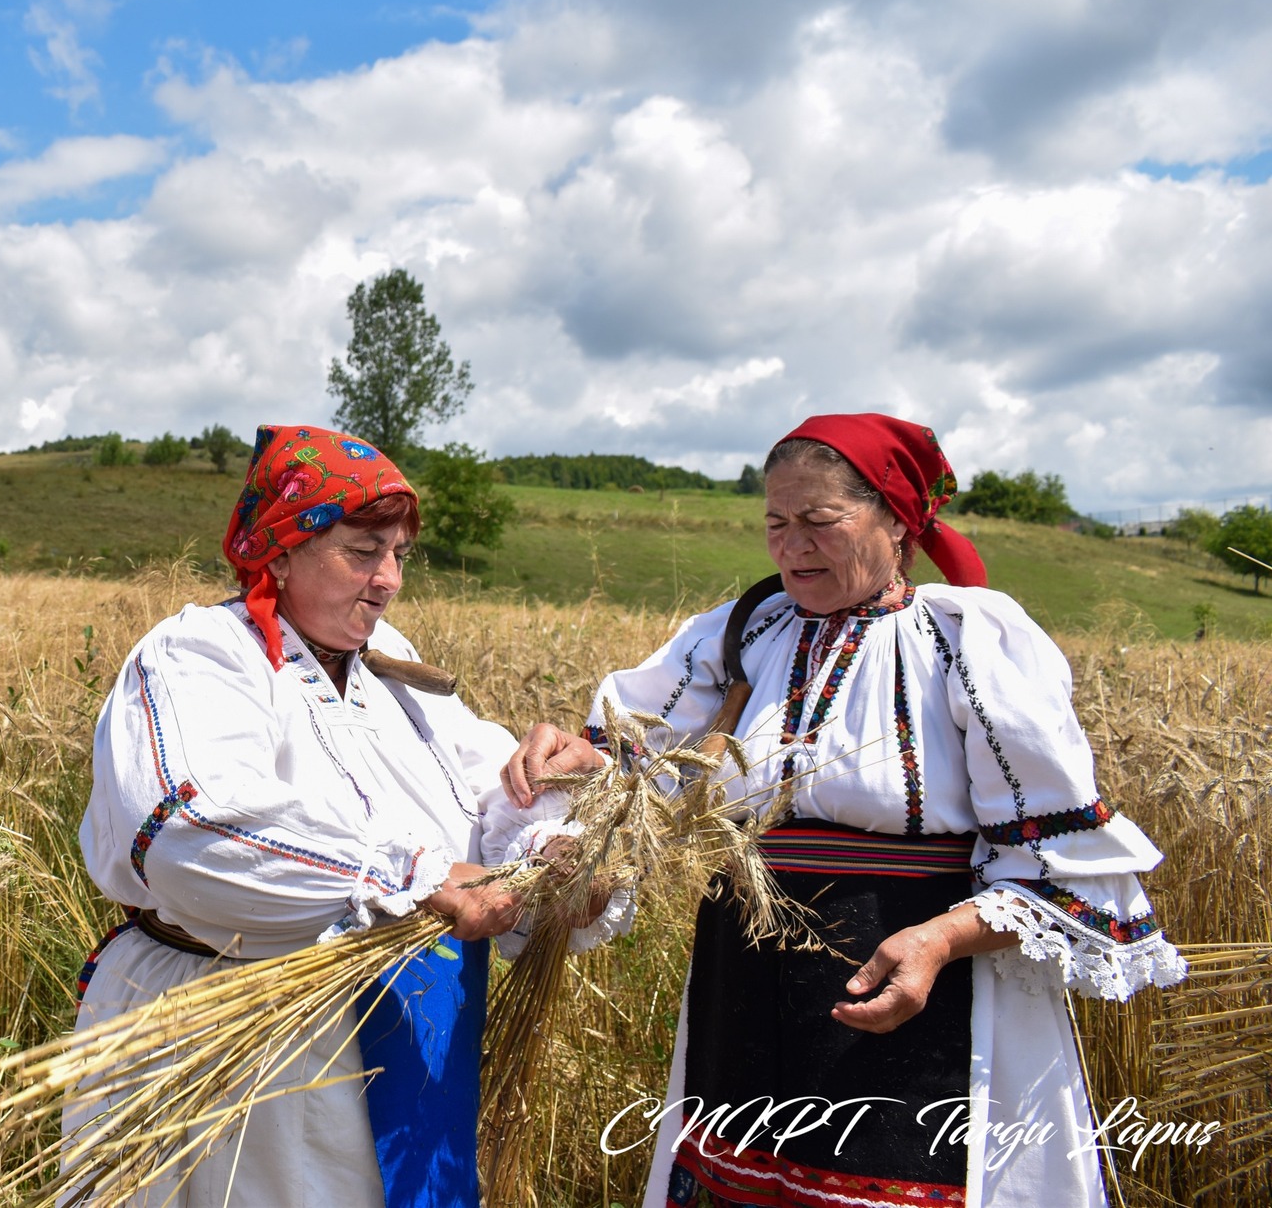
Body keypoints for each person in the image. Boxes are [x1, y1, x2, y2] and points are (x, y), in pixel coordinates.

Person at [507, 413, 1184, 1206]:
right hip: (744, 984)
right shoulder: (744, 634)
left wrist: (938, 940)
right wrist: (581, 762)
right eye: (776, 523)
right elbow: (643, 767)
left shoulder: (967, 641)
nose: (793, 546)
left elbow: (1061, 869)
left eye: (819, 520)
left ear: (895, 521)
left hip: (910, 990)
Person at [69, 424, 628, 1208]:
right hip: (248, 1044)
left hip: (406, 1036)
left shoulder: (388, 668)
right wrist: (414, 877)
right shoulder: (202, 655)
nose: (389, 578)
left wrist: (556, 853)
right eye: (364, 551)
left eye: (399, 553)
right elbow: (184, 826)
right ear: (282, 550)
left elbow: (483, 790)